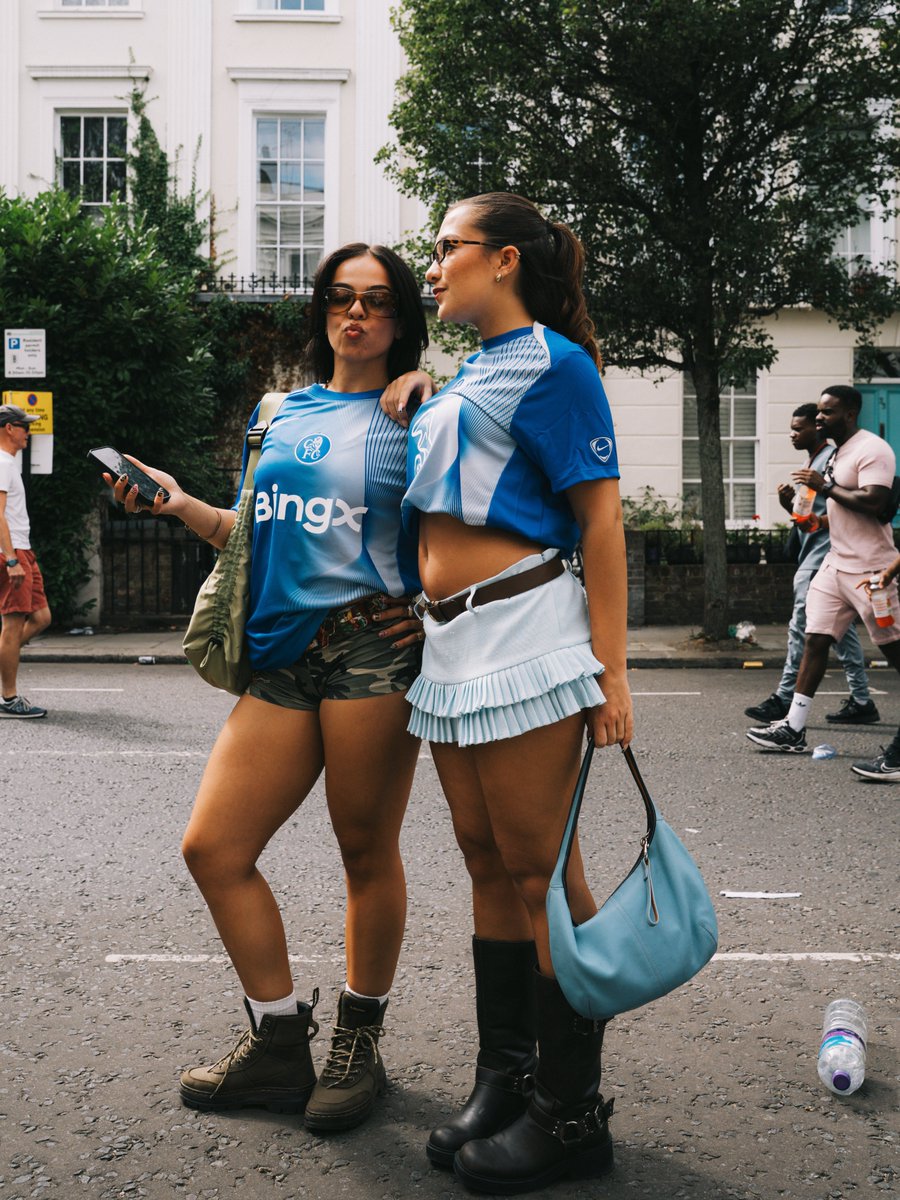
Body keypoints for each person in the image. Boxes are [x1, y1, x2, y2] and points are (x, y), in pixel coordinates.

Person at [107, 243, 429, 1129]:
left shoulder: (423, 413)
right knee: (214, 847)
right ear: (320, 311)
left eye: (374, 301)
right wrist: (174, 502)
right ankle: (278, 1038)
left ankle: (358, 1043)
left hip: (371, 652)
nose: (354, 314)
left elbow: (465, 528)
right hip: (281, 655)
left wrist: (435, 606)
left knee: (364, 850)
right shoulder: (277, 412)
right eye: (338, 298)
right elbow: (249, 535)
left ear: (401, 318)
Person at [385, 192, 633, 1194]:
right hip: (452, 643)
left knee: (540, 872)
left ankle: (573, 1117)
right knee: (487, 860)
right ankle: (510, 1079)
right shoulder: (471, 371)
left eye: (447, 248)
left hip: (529, 637)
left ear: (506, 261)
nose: (432, 265)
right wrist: (415, 392)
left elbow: (602, 519)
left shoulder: (559, 366)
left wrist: (612, 672)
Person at [746, 385, 900, 775]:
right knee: (814, 639)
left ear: (850, 414)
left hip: (871, 572)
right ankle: (794, 728)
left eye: (827, 413)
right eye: (818, 412)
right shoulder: (836, 455)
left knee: (896, 652)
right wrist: (807, 517)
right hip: (835, 566)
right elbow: (835, 515)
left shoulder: (873, 450)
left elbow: (874, 502)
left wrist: (824, 486)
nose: (818, 418)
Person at [0, 404, 52, 719]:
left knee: (42, 617)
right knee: (12, 623)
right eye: (24, 426)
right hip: (13, 553)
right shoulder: (2, 464)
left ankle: (5, 656)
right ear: (9, 428)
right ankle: (8, 697)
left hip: (23, 551)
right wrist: (9, 559)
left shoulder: (9, 464)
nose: (28, 432)